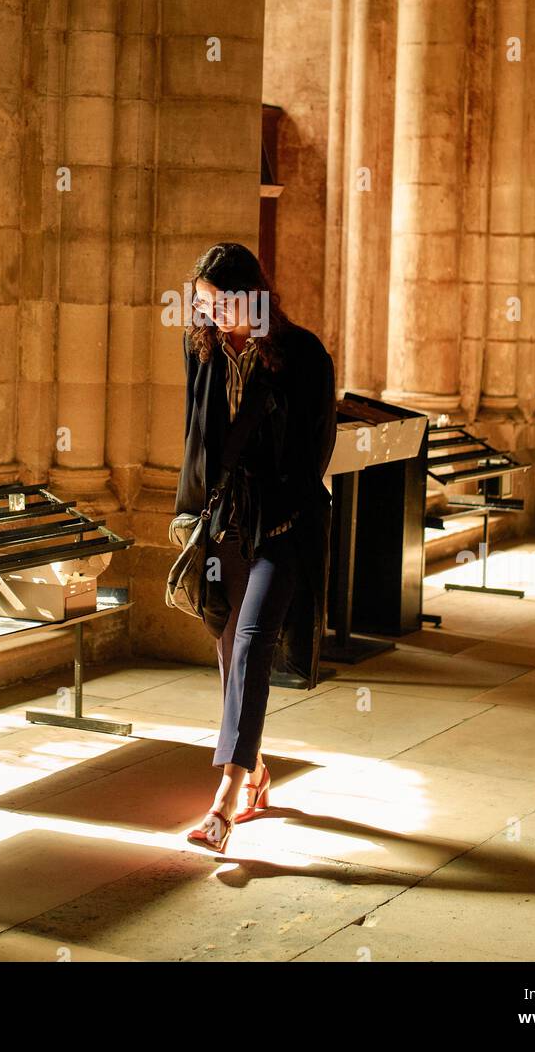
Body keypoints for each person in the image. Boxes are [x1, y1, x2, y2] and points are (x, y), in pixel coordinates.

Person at [173, 242, 336, 853]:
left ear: (251, 297)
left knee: (251, 643)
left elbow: (315, 452)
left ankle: (223, 802)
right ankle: (258, 769)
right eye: (202, 304)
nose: (210, 315)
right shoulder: (205, 350)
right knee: (226, 652)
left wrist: (284, 518)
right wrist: (188, 512)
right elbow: (195, 436)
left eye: (219, 303)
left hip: (285, 524)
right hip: (226, 524)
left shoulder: (304, 356)